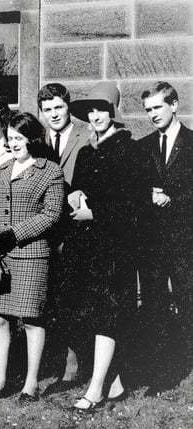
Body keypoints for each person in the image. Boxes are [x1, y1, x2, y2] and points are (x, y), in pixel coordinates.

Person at [64, 82, 149, 411]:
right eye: (91, 111)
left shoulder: (129, 150)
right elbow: (81, 187)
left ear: (113, 113)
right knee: (91, 314)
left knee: (107, 315)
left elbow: (133, 205)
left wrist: (95, 211)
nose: (95, 115)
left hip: (116, 248)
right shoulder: (86, 151)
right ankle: (113, 380)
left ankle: (95, 388)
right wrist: (75, 193)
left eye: (101, 109)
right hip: (89, 246)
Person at [0, 112, 64, 404]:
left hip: (31, 255)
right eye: (10, 138)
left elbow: (51, 214)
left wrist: (14, 234)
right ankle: (0, 381)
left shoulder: (50, 171)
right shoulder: (2, 170)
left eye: (19, 138)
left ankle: (31, 384)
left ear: (32, 139)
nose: (13, 144)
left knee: (30, 320)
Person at [37, 83, 93, 396]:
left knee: (76, 298)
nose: (54, 115)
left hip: (76, 228)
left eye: (58, 108)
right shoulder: (39, 139)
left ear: (67, 106)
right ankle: (53, 361)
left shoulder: (85, 134)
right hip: (46, 230)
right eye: (48, 110)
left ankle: (75, 366)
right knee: (51, 298)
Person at [138, 81, 193, 396]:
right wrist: (148, 193)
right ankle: (163, 370)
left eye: (158, 107)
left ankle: (186, 362)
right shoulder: (143, 147)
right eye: (148, 110)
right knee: (155, 304)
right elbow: (132, 188)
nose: (153, 115)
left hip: (185, 240)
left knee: (188, 301)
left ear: (174, 105)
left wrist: (173, 198)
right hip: (152, 242)